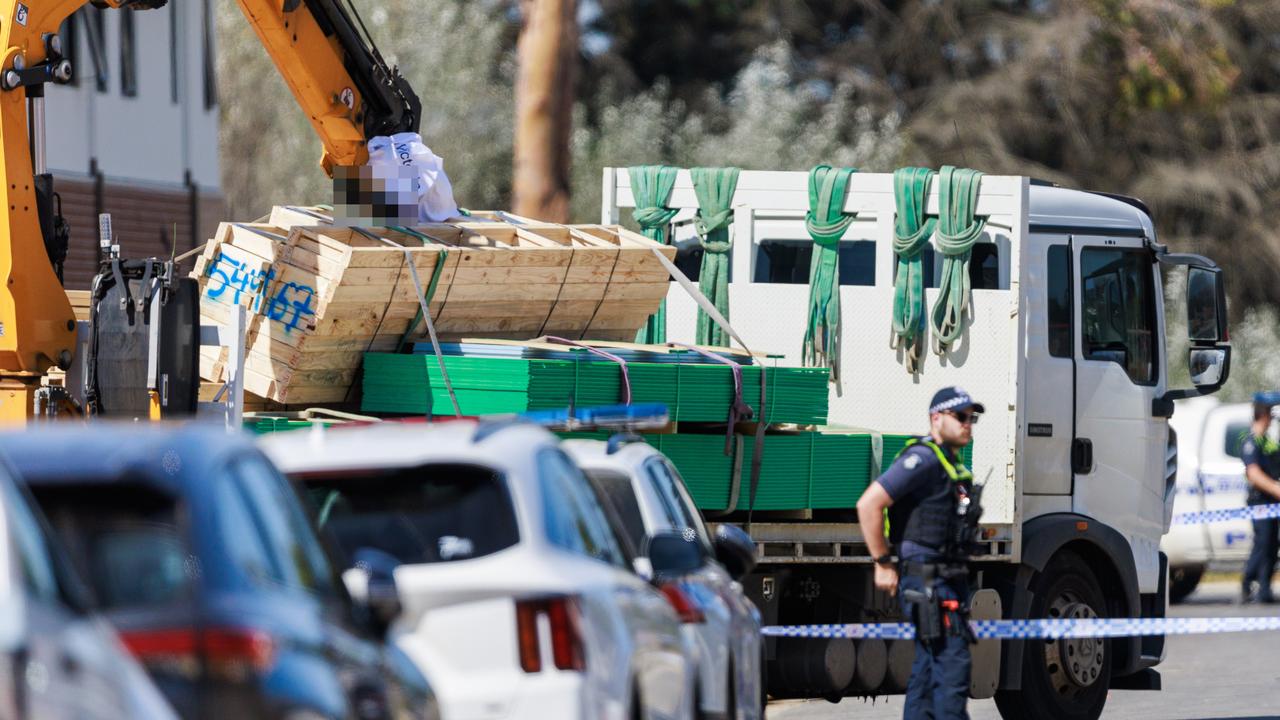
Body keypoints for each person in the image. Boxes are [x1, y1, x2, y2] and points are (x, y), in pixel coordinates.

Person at [857, 386, 984, 720]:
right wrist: (882, 563)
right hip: (929, 583)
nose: (967, 423)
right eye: (960, 416)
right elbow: (870, 503)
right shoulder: (923, 459)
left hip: (943, 581)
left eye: (972, 417)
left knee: (927, 678)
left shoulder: (947, 464)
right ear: (936, 418)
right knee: (951, 673)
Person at [1241, 391, 1280, 604]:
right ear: (1263, 415)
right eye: (1271, 414)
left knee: (1271, 544)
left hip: (1272, 502)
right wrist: (1276, 489)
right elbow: (1254, 474)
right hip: (1261, 501)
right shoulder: (1251, 441)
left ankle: (1264, 589)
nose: (1273, 419)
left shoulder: (1267, 441)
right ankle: (1248, 583)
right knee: (1263, 544)